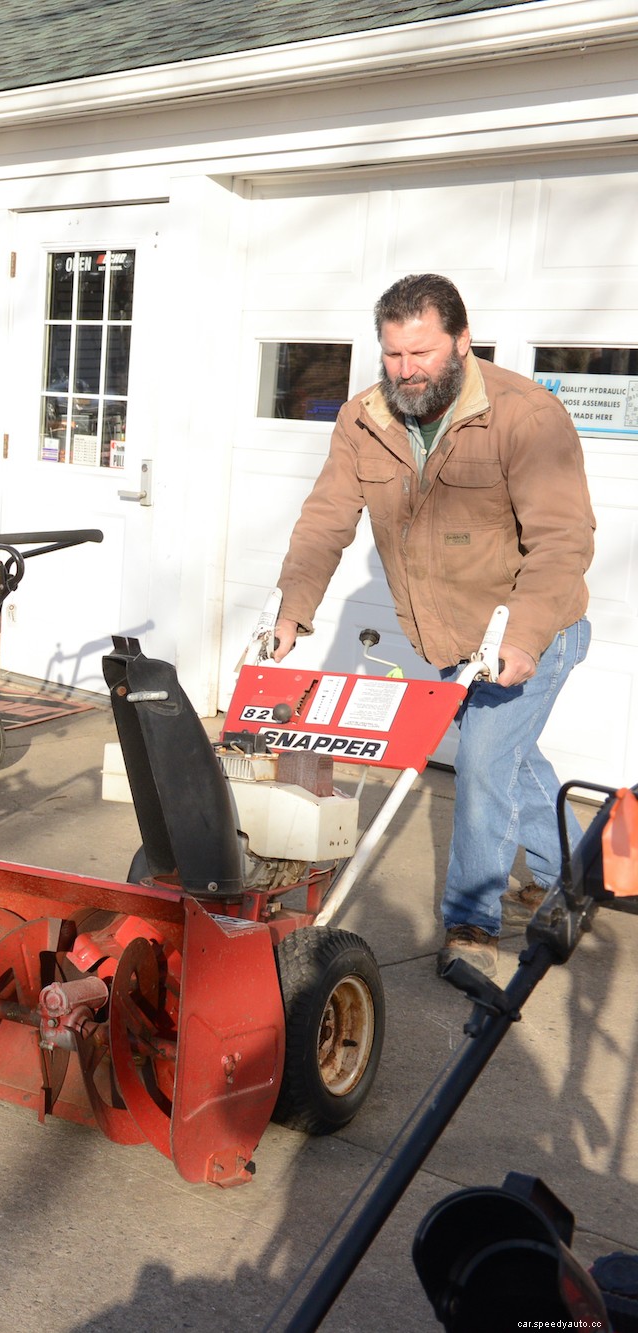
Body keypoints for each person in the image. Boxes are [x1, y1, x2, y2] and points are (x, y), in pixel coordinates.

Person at [270, 273, 595, 980]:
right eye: (392, 355)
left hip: (534, 628)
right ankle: (573, 871)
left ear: (461, 341)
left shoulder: (525, 415)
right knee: (511, 755)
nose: (406, 371)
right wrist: (294, 611)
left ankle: (472, 923)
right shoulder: (365, 420)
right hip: (453, 641)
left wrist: (522, 636)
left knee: (483, 760)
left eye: (421, 354)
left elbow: (564, 543)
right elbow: (327, 519)